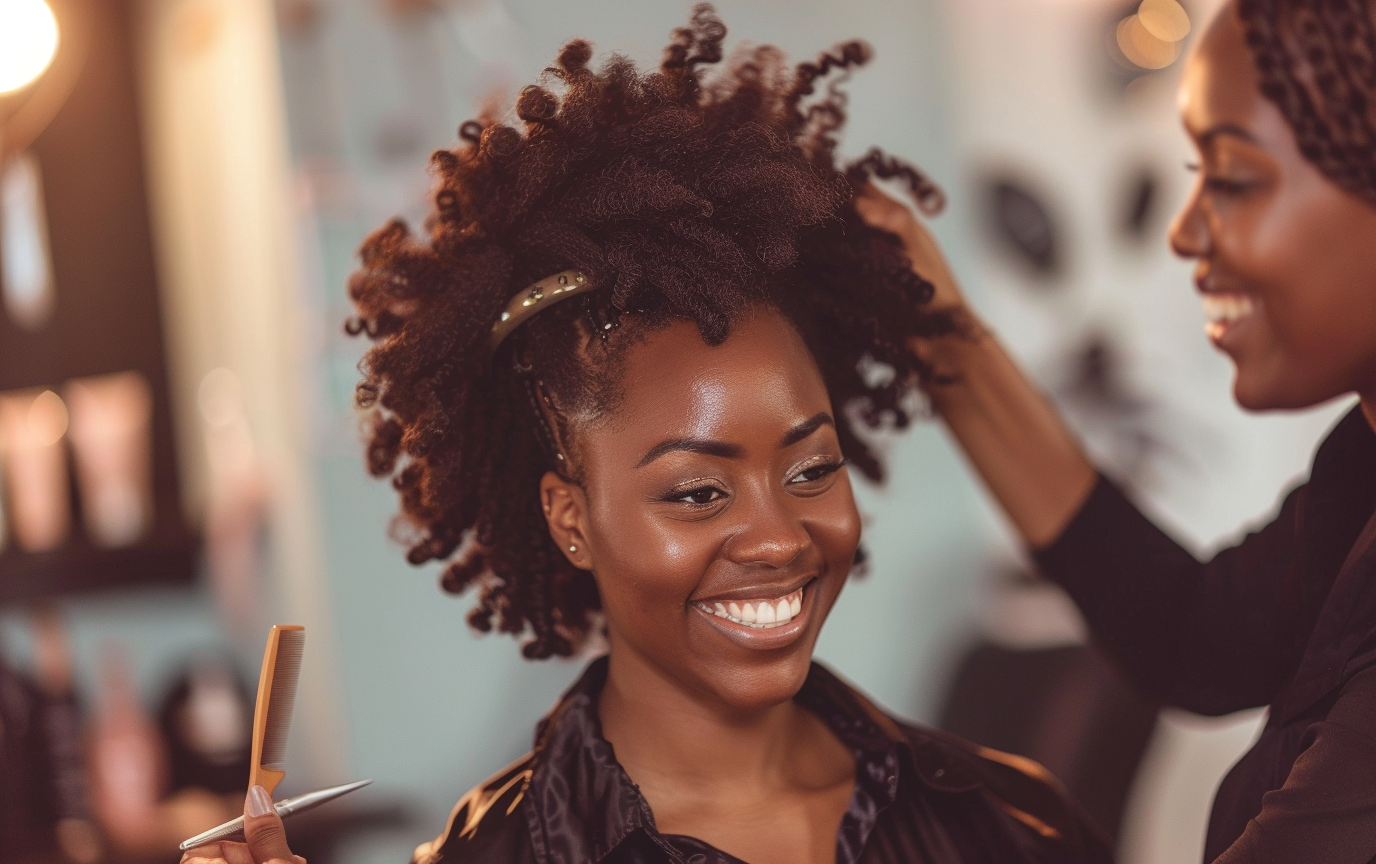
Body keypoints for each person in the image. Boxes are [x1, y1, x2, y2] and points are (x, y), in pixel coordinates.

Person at [182, 7, 1111, 864]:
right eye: (698, 491)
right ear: (570, 517)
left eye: (812, 468)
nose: (781, 537)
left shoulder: (1008, 824)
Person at [854, 1, 1376, 861]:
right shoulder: (1363, 473)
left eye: (1234, 180)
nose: (1185, 230)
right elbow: (1193, 637)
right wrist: (940, 336)